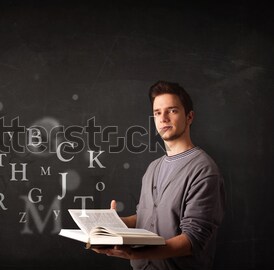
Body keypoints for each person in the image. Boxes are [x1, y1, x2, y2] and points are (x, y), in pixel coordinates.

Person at [93, 81, 225, 270]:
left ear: (189, 117)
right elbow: (145, 218)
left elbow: (192, 240)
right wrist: (114, 224)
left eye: (172, 111)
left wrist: (134, 253)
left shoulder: (204, 170)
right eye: (157, 112)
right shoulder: (153, 168)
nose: (163, 118)